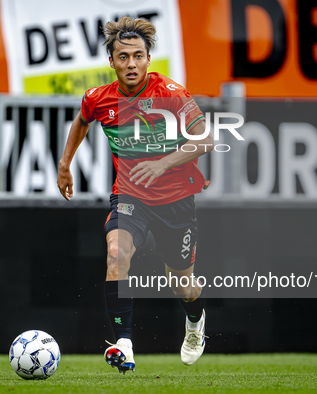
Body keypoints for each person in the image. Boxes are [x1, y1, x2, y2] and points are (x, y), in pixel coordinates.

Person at [57, 16, 212, 373]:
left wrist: (163, 165)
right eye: (123, 57)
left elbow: (206, 139)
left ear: (148, 59)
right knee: (116, 254)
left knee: (181, 283)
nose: (131, 64)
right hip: (130, 197)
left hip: (176, 203)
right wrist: (65, 164)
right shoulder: (99, 98)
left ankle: (195, 324)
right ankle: (123, 342)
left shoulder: (170, 93)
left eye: (138, 56)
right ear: (111, 61)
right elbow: (82, 119)